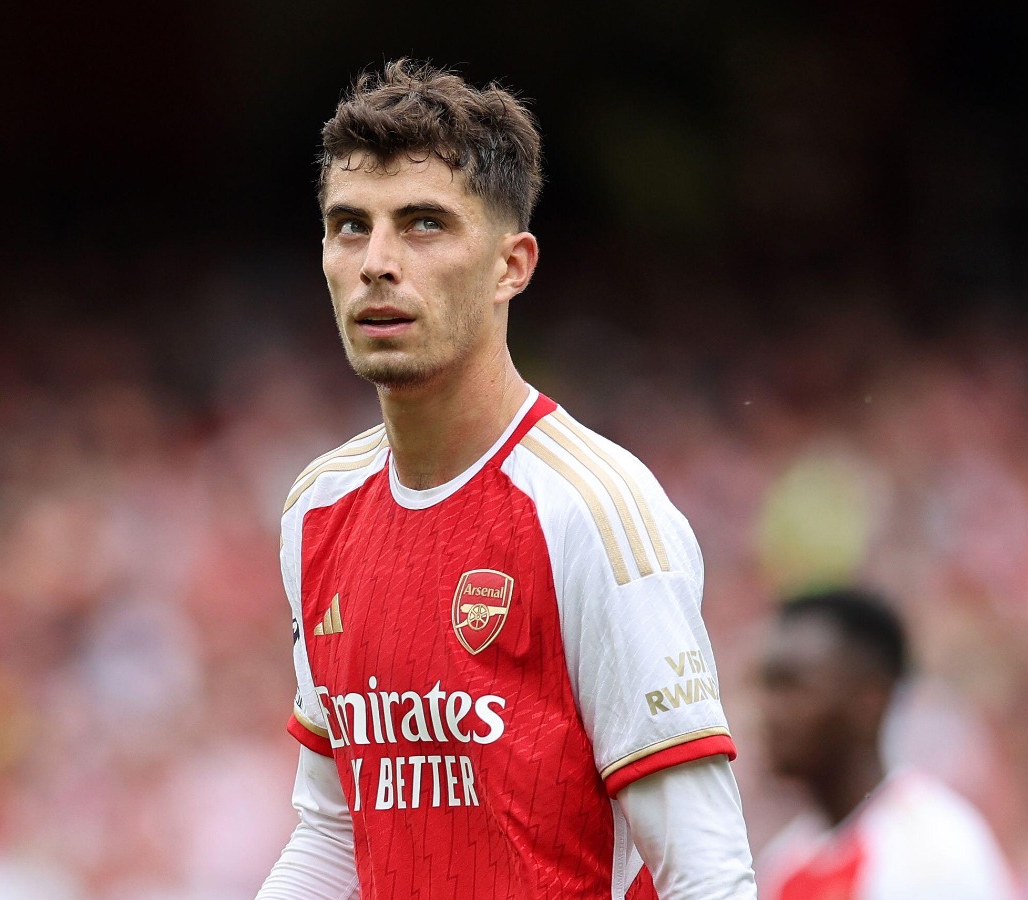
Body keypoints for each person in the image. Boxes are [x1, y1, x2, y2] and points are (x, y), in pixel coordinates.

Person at [256, 59, 756, 900]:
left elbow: (707, 874)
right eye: (350, 226)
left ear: (511, 266)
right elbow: (331, 835)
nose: (377, 261)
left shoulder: (595, 510)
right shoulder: (319, 507)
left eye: (422, 224)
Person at [754, 588, 1017, 900]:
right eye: (768, 686)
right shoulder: (783, 865)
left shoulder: (933, 851)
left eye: (794, 688)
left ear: (869, 700)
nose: (769, 711)